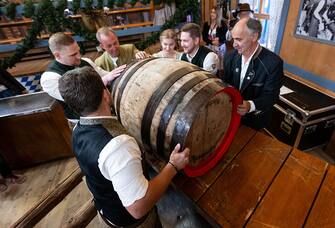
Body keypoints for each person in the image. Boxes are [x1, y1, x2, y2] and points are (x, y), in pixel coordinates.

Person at [58, 66, 190, 227]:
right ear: (105, 94)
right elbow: (138, 208)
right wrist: (173, 166)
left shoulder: (78, 129)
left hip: (107, 213)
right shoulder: (118, 146)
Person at [40, 32, 126, 121]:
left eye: (78, 51)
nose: (79, 56)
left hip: (107, 113)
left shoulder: (85, 61)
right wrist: (103, 81)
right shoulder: (50, 78)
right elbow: (79, 99)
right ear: (57, 55)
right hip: (82, 123)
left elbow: (108, 75)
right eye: (73, 54)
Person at [222, 18, 283, 130]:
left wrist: (250, 105)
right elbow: (224, 83)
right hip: (229, 116)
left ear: (254, 37)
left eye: (238, 39)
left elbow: (272, 96)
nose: (234, 44)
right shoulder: (229, 57)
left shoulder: (273, 63)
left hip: (254, 122)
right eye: (233, 39)